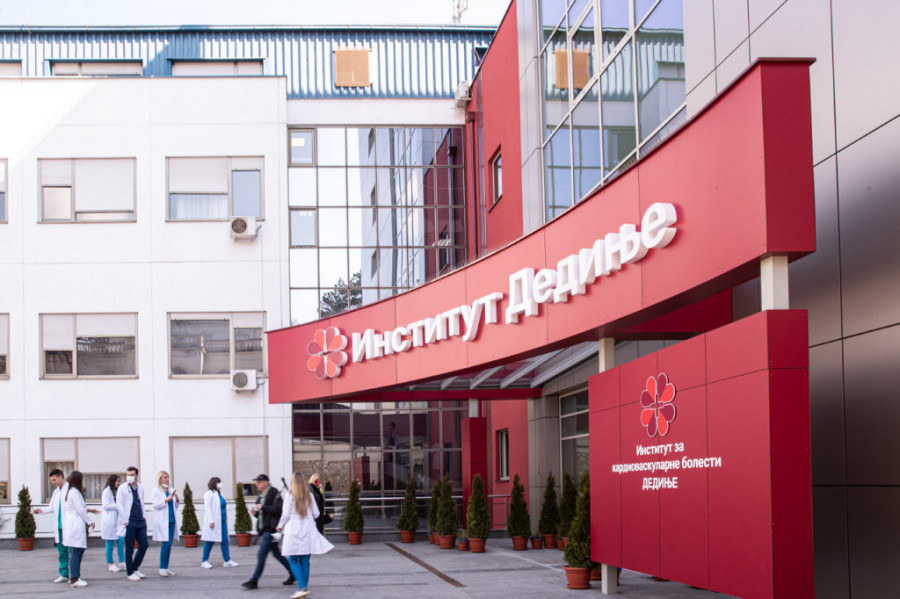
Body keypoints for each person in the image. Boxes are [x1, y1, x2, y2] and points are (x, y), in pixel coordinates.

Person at [277, 471, 334, 599]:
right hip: (307, 530)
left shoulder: (289, 496)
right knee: (305, 561)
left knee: (292, 560)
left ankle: (302, 588)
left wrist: (279, 526)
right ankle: (304, 589)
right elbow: (316, 514)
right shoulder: (309, 495)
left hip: (293, 530)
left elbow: (285, 515)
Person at [241, 474, 294, 590]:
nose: (257, 484)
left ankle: (254, 580)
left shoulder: (274, 494)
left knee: (261, 554)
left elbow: (279, 510)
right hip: (265, 528)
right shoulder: (260, 496)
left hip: (271, 529)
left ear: (265, 483)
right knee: (277, 554)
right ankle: (293, 573)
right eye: (256, 482)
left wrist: (263, 507)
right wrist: (255, 514)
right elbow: (264, 514)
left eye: (259, 482)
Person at [33, 468, 71, 583]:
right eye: (52, 480)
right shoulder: (56, 492)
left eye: (54, 480)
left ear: (60, 477)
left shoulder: (70, 489)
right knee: (62, 552)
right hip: (59, 526)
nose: (53, 482)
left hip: (69, 525)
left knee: (73, 551)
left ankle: (75, 575)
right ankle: (63, 574)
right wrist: (41, 510)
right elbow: (52, 507)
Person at [62, 471, 96, 588]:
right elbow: (80, 509)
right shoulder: (74, 492)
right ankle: (74, 578)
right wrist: (90, 521)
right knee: (77, 551)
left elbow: (81, 508)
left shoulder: (72, 492)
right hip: (75, 525)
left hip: (75, 525)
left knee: (78, 551)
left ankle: (75, 576)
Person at [116, 466, 149, 582]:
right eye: (128, 475)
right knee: (129, 548)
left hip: (140, 521)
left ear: (137, 476)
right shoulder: (122, 488)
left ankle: (135, 568)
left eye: (132, 475)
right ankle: (130, 572)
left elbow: (142, 503)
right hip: (130, 521)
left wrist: (144, 516)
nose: (129, 477)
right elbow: (119, 504)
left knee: (144, 545)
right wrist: (125, 520)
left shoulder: (140, 487)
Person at [201, 476, 238, 568]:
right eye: (219, 482)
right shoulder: (209, 494)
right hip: (214, 522)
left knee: (224, 540)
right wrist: (211, 520)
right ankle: (204, 561)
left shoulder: (220, 494)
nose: (220, 484)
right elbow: (208, 508)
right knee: (210, 540)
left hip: (222, 521)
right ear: (214, 483)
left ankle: (227, 560)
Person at [151, 471, 179, 577]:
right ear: (160, 479)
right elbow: (155, 505)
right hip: (163, 521)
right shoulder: (156, 490)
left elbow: (175, 506)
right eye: (165, 477)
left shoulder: (171, 490)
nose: (167, 479)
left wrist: (177, 500)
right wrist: (166, 500)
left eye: (168, 477)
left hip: (171, 521)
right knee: (166, 544)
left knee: (169, 545)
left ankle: (166, 567)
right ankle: (162, 568)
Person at [101, 474, 126, 572]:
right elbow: (105, 506)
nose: (118, 483)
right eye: (117, 481)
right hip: (109, 520)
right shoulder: (106, 492)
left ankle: (122, 562)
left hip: (117, 521)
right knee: (110, 542)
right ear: (112, 481)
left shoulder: (116, 491)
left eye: (119, 481)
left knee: (120, 541)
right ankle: (110, 563)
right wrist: (118, 505)